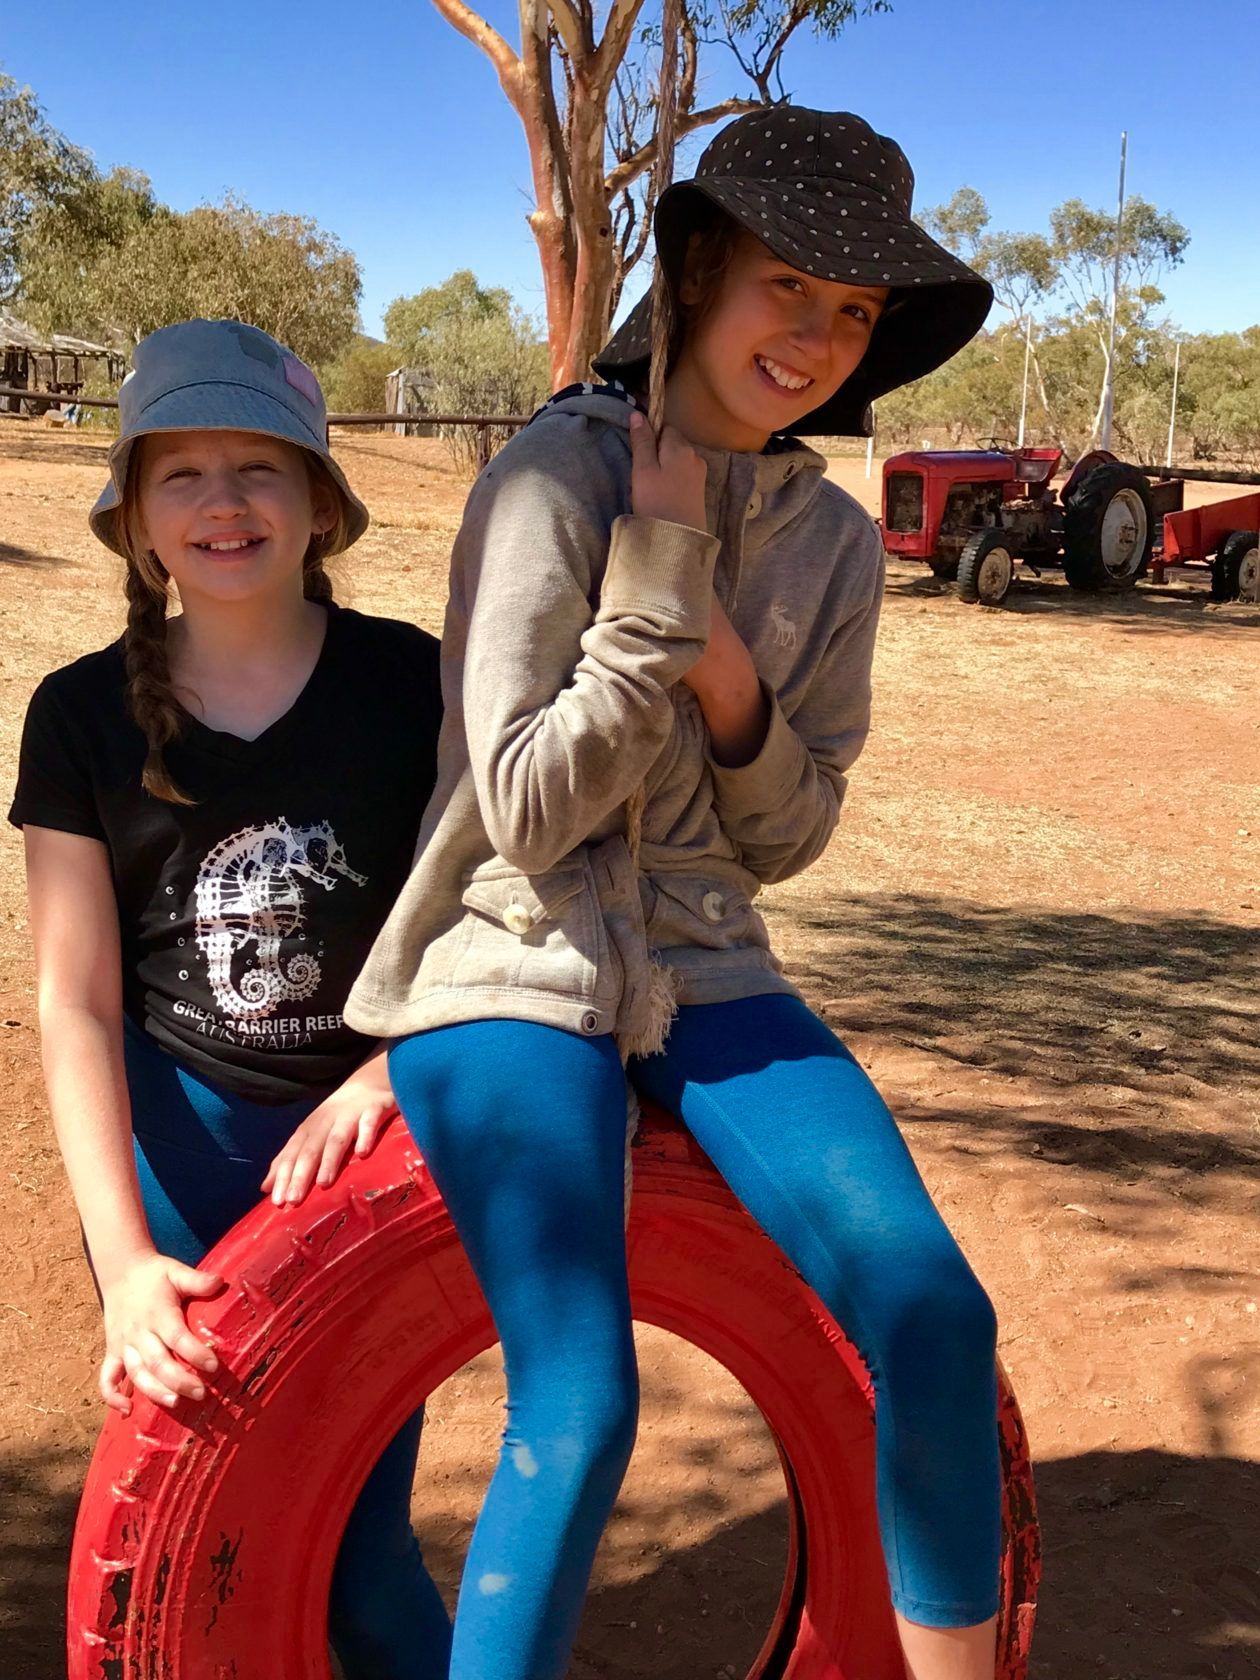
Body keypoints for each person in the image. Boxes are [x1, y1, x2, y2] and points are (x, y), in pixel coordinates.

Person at [348, 108, 1002, 1680]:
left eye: (854, 311)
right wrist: (655, 595)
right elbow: (520, 806)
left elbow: (788, 837)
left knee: (935, 1319)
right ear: (700, 270)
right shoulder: (548, 479)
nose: (819, 337)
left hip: (711, 966)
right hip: (515, 948)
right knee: (577, 1406)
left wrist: (728, 679)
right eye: (791, 284)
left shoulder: (836, 547)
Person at [10, 319, 452, 1680]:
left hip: (365, 1157)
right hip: (179, 1163)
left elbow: (469, 917)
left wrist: (393, 1070)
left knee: (361, 1542)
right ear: (136, 517)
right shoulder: (79, 715)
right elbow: (76, 999)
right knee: (199, 1527)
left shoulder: (412, 682)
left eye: (259, 465)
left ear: (319, 501)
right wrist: (126, 1263)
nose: (223, 501)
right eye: (181, 472)